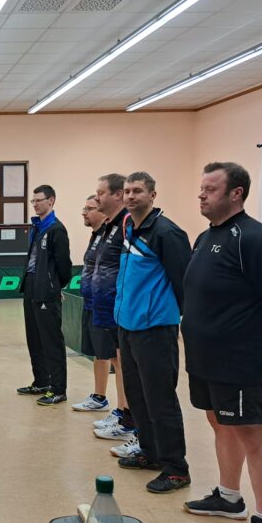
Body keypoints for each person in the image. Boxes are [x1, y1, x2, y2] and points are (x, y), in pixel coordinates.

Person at [182, 162, 262, 523]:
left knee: (252, 435)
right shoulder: (206, 237)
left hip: (240, 362)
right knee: (220, 425)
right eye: (202, 188)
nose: (201, 195)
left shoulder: (254, 239)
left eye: (210, 189)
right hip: (205, 358)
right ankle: (229, 497)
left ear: (236, 193)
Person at [114, 172, 192, 493]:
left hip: (156, 329)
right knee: (137, 396)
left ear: (152, 195)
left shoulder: (167, 232)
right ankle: (150, 452)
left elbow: (184, 283)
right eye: (127, 191)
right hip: (128, 326)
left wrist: (169, 317)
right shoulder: (129, 228)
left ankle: (176, 469)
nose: (131, 196)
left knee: (160, 400)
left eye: (138, 191)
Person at [89, 174, 134, 454]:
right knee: (118, 360)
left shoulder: (127, 224)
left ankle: (128, 419)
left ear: (117, 195)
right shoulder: (109, 226)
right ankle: (121, 412)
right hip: (106, 305)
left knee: (123, 362)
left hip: (121, 308)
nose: (96, 198)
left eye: (101, 193)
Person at [17, 185, 72, 406]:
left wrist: (54, 287)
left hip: (46, 291)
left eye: (39, 200)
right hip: (31, 286)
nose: (35, 204)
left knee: (51, 341)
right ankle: (41, 381)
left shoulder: (56, 229)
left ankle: (58, 389)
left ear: (51, 201)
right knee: (34, 338)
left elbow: (64, 265)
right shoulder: (37, 227)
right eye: (33, 201)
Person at [74, 195, 113, 413]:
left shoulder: (110, 237)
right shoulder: (96, 236)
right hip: (90, 304)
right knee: (99, 354)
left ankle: (124, 412)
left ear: (103, 213)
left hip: (105, 307)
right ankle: (99, 396)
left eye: (89, 208)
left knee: (115, 358)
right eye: (85, 207)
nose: (84, 212)